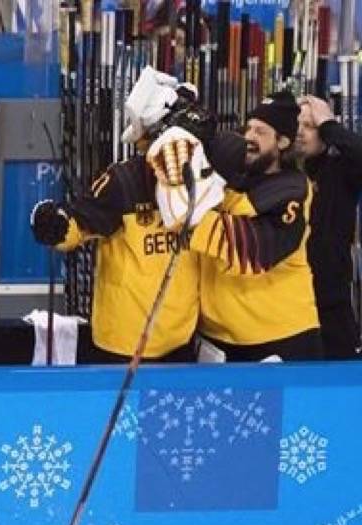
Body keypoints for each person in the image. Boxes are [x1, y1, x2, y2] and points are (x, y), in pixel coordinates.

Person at [29, 67, 232, 363]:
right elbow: (83, 221)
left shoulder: (205, 177)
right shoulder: (123, 180)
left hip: (181, 340)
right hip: (122, 344)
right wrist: (58, 224)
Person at [189, 90, 321, 361]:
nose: (248, 137)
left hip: (280, 341)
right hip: (218, 342)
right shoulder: (229, 179)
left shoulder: (291, 190)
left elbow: (249, 252)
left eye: (261, 131)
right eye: (248, 128)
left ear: (283, 141)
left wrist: (186, 216)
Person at [296, 93, 362, 359]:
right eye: (296, 124)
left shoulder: (339, 171)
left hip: (331, 303)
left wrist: (328, 123)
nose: (301, 133)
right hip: (286, 305)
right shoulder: (274, 172)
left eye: (310, 127)